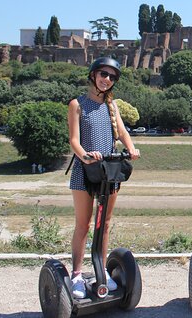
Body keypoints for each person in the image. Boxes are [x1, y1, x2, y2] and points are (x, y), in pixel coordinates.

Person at [67, 57, 140, 299]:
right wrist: (86, 155)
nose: (106, 79)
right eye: (103, 74)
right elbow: (74, 141)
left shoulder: (112, 106)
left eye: (111, 77)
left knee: (104, 224)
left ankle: (101, 271)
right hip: (85, 171)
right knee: (84, 224)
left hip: (109, 170)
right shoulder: (77, 104)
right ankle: (77, 274)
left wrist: (131, 148)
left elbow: (122, 131)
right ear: (93, 75)